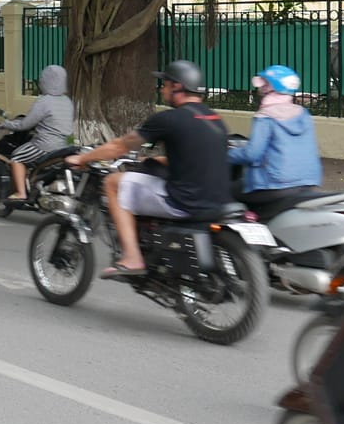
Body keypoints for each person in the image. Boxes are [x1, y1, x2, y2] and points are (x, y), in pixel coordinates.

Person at [65, 60, 230, 279]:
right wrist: (155, 160)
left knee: (112, 183)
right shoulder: (215, 119)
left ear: (176, 87)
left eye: (165, 84)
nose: (162, 89)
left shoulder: (170, 119)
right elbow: (194, 157)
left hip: (183, 200)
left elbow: (119, 146)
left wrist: (83, 157)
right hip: (218, 201)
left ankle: (132, 257)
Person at [228, 64, 323, 219]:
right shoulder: (303, 114)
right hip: (308, 182)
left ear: (271, 87)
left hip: (274, 184)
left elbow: (252, 153)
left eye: (264, 84)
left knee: (224, 190)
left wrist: (227, 154)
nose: (261, 88)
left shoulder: (266, 116)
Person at [0, 64, 74, 203]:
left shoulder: (44, 101)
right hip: (66, 147)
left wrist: (6, 124)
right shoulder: (67, 101)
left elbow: (25, 124)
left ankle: (21, 193)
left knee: (17, 157)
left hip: (46, 145)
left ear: (45, 81)